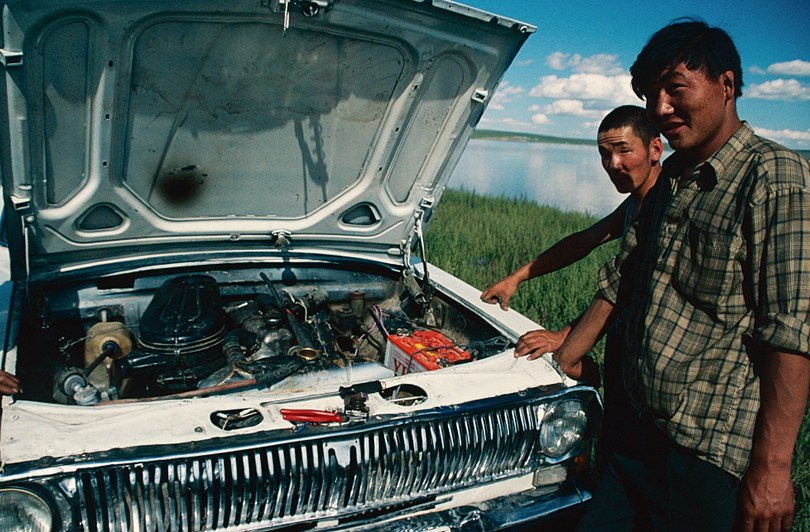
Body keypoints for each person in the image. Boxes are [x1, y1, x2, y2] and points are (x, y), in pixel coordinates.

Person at [518, 19, 810, 531]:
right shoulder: (672, 177)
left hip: (703, 454)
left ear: (727, 84)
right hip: (633, 431)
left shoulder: (774, 177)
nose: (660, 108)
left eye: (675, 89)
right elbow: (620, 279)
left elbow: (790, 331)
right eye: (650, 94)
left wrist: (773, 470)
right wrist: (563, 360)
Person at [480, 105, 663, 317]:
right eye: (604, 154)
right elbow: (583, 241)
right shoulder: (637, 203)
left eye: (624, 150)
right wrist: (515, 278)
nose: (613, 164)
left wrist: (563, 336)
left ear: (655, 150)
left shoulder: (665, 206)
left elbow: (617, 293)